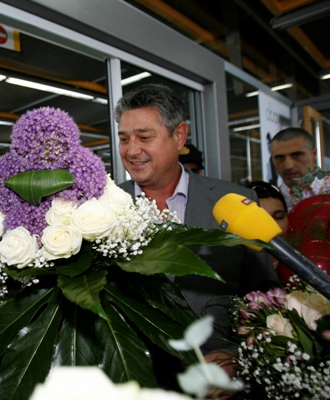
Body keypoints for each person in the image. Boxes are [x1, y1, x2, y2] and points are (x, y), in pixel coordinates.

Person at [115, 83, 279, 397]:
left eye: (144, 137)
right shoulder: (99, 209)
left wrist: (238, 356)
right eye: (124, 138)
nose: (132, 150)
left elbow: (266, 298)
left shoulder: (235, 202)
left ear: (179, 135)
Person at [270, 127, 330, 211]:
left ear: (314, 154)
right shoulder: (272, 202)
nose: (288, 166)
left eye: (296, 155)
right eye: (280, 157)